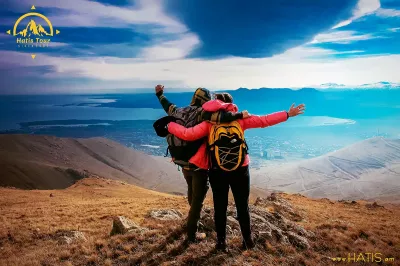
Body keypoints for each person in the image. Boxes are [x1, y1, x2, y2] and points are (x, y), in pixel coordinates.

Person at [166, 93, 305, 251]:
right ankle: (247, 242)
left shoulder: (209, 122)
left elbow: (188, 134)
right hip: (241, 168)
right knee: (242, 206)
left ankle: (221, 243)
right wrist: (287, 114)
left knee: (220, 207)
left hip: (217, 170)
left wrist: (169, 126)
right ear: (231, 105)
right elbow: (264, 120)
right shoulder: (240, 119)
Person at [155, 85, 248, 244]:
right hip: (199, 166)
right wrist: (239, 115)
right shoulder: (203, 114)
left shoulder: (178, 111)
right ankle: (192, 235)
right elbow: (221, 118)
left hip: (183, 164)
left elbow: (167, 105)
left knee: (192, 195)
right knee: (197, 201)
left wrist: (159, 94)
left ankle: (193, 222)